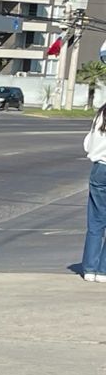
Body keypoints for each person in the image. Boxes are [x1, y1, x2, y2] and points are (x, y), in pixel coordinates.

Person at [83, 103, 106, 282]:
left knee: (96, 221)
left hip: (100, 169)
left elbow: (88, 145)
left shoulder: (101, 115)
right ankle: (103, 270)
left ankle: (90, 269)